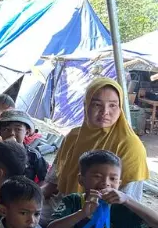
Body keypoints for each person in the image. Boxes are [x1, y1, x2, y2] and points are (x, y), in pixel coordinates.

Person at [43, 78, 149, 218]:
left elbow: (128, 203)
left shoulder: (130, 146)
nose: (105, 112)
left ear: (121, 108)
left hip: (104, 217)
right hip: (64, 205)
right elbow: (53, 181)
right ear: (86, 105)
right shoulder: (74, 136)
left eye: (113, 105)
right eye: (97, 104)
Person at [0, 110, 48, 183]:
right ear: (0, 132)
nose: (12, 133)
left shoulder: (34, 155)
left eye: (18, 129)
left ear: (26, 132)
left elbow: (44, 179)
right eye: (6, 129)